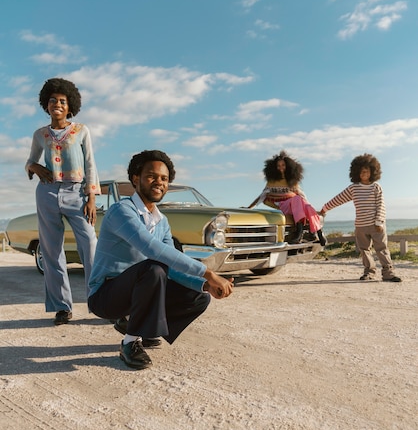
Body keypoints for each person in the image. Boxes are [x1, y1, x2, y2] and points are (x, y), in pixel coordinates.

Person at [87, 150, 234, 370]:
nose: (159, 182)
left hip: (138, 288)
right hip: (106, 295)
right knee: (153, 269)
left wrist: (204, 284)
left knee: (199, 296)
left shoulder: (161, 221)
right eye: (151, 176)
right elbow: (152, 249)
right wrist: (209, 273)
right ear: (136, 179)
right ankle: (130, 342)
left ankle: (140, 326)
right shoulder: (121, 211)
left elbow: (171, 264)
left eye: (164, 179)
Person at [26, 77, 101, 325]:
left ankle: (99, 302)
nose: (56, 104)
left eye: (62, 101)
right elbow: (30, 162)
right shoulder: (40, 135)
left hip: (77, 193)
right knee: (51, 251)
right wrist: (35, 166)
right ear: (45, 105)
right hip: (47, 193)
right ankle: (62, 307)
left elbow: (90, 163)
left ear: (70, 106)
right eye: (52, 100)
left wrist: (91, 197)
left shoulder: (81, 131)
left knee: (90, 245)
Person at [320, 153, 401, 282]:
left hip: (377, 226)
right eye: (361, 171)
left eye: (367, 171)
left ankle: (388, 273)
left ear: (373, 172)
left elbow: (381, 205)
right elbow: (338, 199)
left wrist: (379, 222)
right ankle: (369, 272)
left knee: (382, 249)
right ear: (356, 172)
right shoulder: (353, 188)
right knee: (364, 250)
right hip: (361, 226)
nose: (364, 173)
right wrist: (324, 208)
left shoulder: (376, 187)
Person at [248, 151, 326, 245]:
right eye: (278, 166)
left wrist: (310, 208)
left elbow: (302, 195)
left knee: (307, 206)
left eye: (283, 165)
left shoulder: (292, 181)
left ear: (288, 166)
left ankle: (319, 235)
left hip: (296, 206)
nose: (281, 168)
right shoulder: (272, 182)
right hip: (282, 205)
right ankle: (299, 233)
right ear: (274, 167)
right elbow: (261, 196)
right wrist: (249, 207)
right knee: (297, 199)